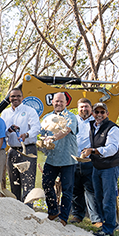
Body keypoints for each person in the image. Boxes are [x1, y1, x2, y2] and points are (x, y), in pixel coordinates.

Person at [81, 103, 119, 236]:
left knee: (108, 198)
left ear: (107, 113)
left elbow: (111, 149)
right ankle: (109, 222)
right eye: (96, 112)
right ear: (93, 113)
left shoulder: (113, 129)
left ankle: (108, 230)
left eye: (102, 112)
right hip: (97, 166)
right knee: (98, 196)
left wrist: (92, 151)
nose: (99, 115)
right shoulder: (92, 126)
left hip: (110, 167)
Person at [40, 92, 78, 226]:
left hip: (68, 158)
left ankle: (63, 218)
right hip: (52, 158)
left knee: (67, 189)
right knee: (46, 183)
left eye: (61, 101)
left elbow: (66, 130)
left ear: (66, 103)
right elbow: (42, 135)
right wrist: (43, 141)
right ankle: (53, 211)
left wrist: (53, 138)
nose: (58, 104)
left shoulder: (71, 117)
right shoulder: (46, 118)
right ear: (52, 102)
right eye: (56, 101)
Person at [0, 88, 41, 204]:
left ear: (22, 98)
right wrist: (9, 131)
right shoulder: (5, 113)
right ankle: (16, 209)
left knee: (28, 182)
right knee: (14, 182)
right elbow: (2, 132)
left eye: (18, 96)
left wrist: (26, 134)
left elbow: (36, 128)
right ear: (9, 98)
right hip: (13, 151)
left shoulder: (30, 111)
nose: (15, 98)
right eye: (13, 96)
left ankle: (28, 210)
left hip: (28, 150)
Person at [70, 98, 101, 227]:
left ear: (91, 108)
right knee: (75, 189)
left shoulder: (96, 122)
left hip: (90, 161)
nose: (84, 109)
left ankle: (96, 219)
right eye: (81, 107)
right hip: (73, 159)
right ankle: (77, 215)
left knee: (91, 190)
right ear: (78, 108)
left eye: (87, 107)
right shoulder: (72, 121)